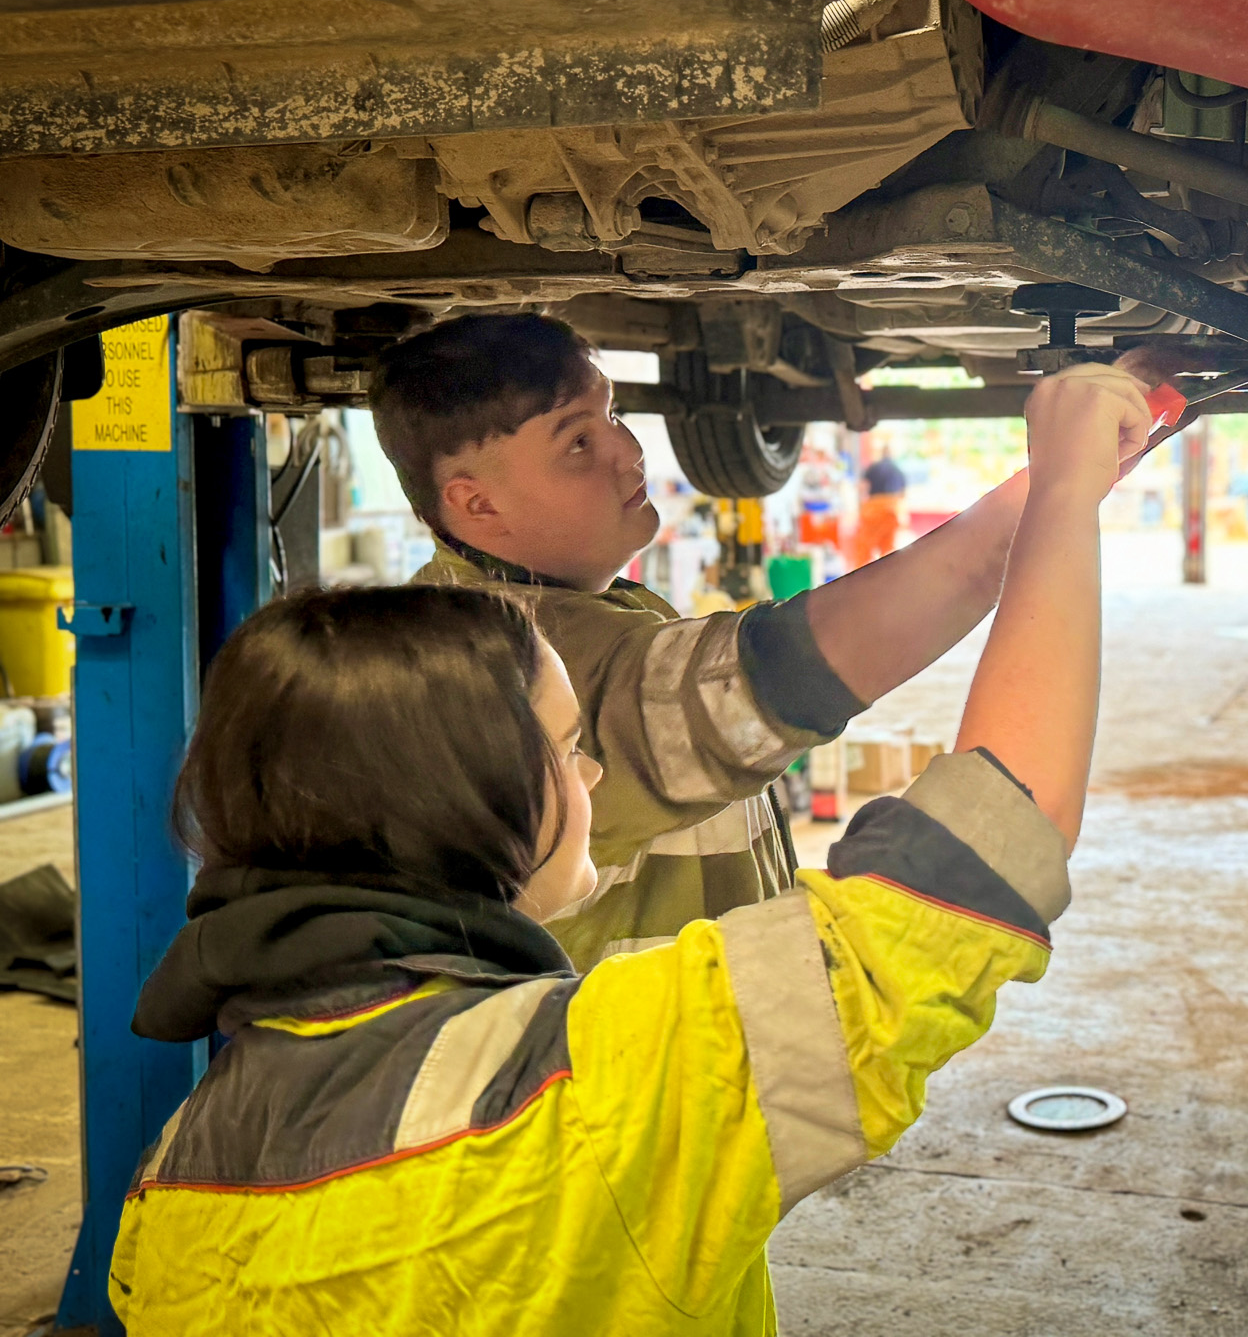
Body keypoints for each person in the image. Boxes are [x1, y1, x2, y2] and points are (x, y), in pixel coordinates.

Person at [109, 361, 1151, 1336]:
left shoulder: (166, 1189)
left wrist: (1065, 485)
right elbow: (975, 859)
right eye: (566, 751)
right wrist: (1062, 497)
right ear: (459, 805)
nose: (592, 778)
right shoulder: (614, 1086)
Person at [370, 314, 1032, 967]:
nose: (629, 451)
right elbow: (773, 683)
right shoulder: (512, 663)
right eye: (577, 443)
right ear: (477, 504)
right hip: (638, 1062)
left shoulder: (525, 610)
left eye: (613, 416)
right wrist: (1039, 499)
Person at [849, 446, 908, 568]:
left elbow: (862, 487)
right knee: (888, 550)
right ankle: (888, 577)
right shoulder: (898, 470)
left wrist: (860, 507)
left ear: (881, 453)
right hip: (891, 511)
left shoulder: (873, 467)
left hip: (873, 510)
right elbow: (903, 495)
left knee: (865, 549)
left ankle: (860, 578)